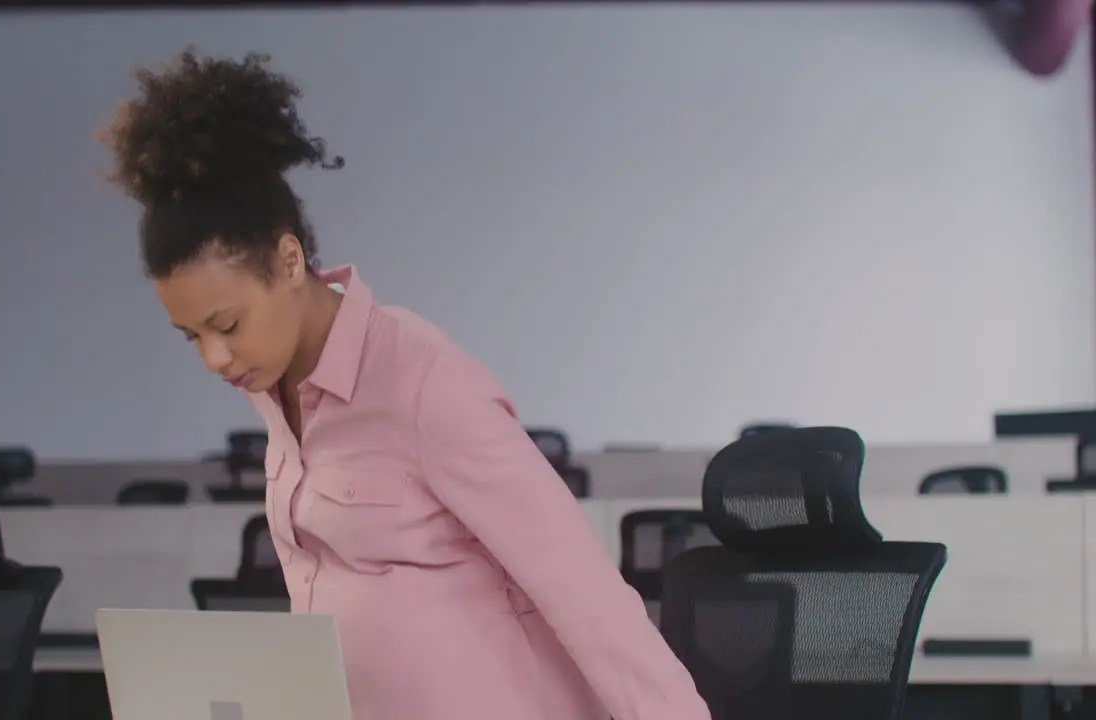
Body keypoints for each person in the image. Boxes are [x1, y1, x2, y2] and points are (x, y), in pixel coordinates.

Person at [99, 49, 709, 720]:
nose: (214, 359)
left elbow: (585, 594)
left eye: (227, 324)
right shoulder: (274, 394)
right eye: (192, 337)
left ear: (289, 259)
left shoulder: (421, 382)